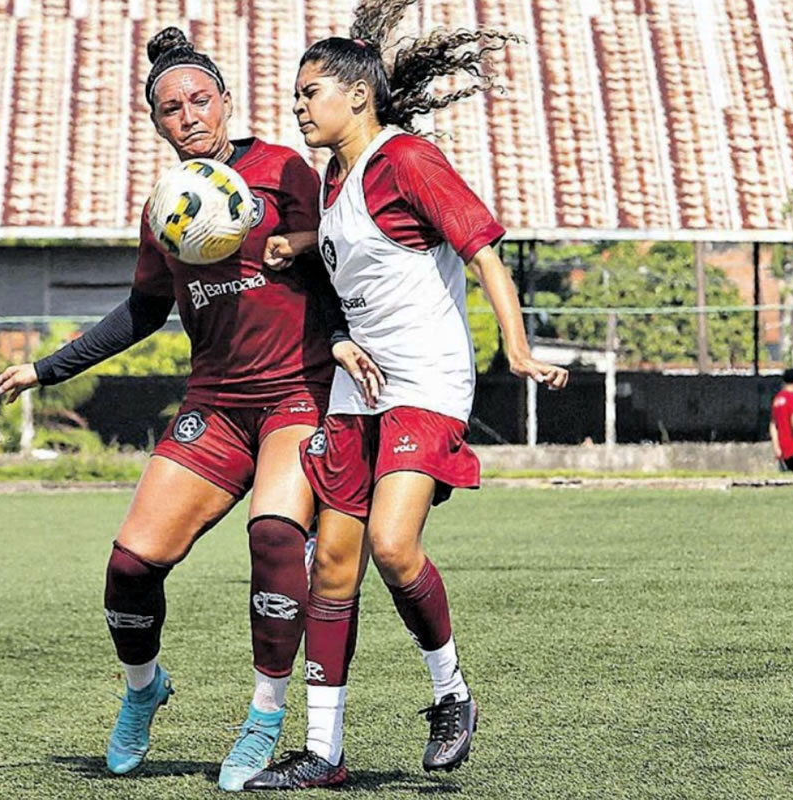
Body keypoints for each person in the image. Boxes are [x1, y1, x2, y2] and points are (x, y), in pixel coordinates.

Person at [0, 27, 344, 791]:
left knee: (276, 535)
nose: (189, 116)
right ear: (156, 123)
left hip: (295, 394)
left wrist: (304, 250)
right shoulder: (165, 208)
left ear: (225, 101)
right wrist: (44, 368)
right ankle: (145, 687)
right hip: (214, 404)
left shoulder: (283, 169)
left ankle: (263, 717)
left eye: (200, 100)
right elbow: (144, 310)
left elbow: (345, 251)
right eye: (172, 108)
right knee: (129, 565)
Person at [245, 5, 568, 789]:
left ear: (358, 96)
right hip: (360, 386)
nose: (299, 107)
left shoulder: (408, 160)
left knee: (392, 544)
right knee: (333, 565)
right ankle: (323, 754)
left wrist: (514, 347)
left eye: (311, 92)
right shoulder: (333, 177)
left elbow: (484, 250)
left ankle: (452, 693)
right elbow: (358, 270)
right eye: (295, 95)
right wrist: (305, 263)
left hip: (425, 379)